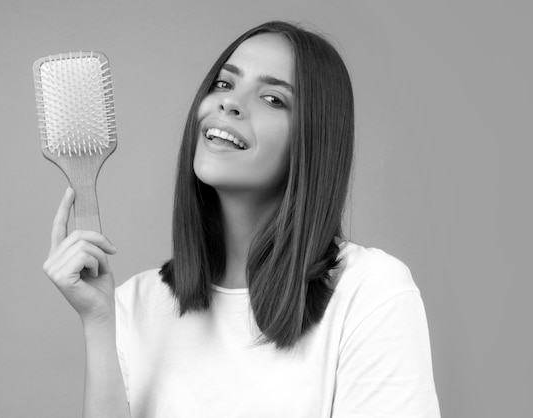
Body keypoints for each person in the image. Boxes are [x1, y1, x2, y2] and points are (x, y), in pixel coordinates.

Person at [43, 21, 440, 418]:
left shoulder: (369, 292)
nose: (230, 103)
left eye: (272, 99)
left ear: (313, 141)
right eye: (223, 84)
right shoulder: (133, 306)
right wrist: (98, 323)